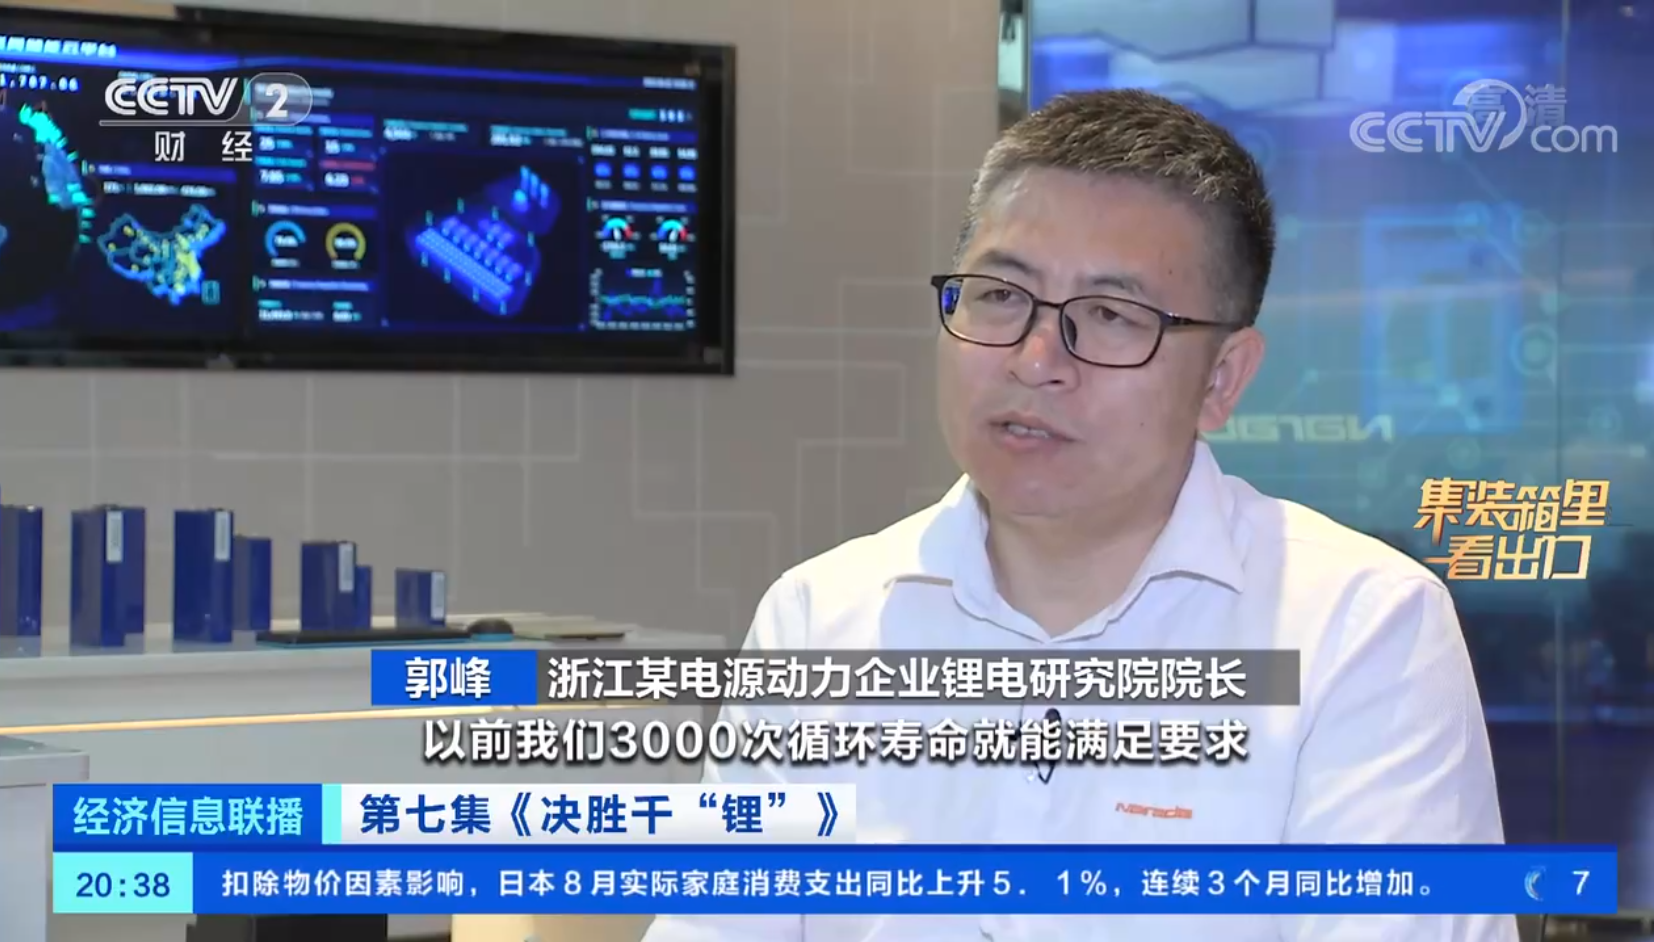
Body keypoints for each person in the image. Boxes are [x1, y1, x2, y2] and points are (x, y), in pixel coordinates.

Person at [643, 89, 1514, 941]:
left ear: (1221, 379)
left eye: (1109, 316)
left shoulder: (1361, 629)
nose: (1035, 360)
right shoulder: (817, 619)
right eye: (999, 295)